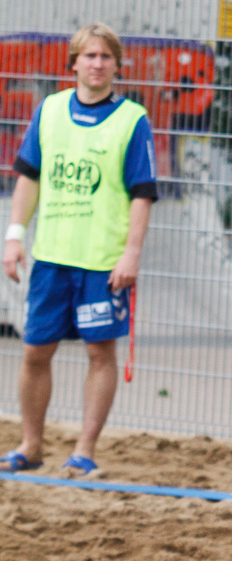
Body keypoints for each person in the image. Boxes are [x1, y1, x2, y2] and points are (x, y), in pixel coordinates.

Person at [1, 24, 158, 477]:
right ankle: (31, 445)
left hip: (102, 263)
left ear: (116, 64)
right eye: (89, 56)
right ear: (73, 64)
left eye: (106, 57)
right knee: (35, 352)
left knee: (98, 353)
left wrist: (131, 253)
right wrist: (14, 235)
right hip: (52, 257)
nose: (97, 64)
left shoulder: (132, 119)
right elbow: (28, 177)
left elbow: (142, 193)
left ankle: (84, 451)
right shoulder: (49, 111)